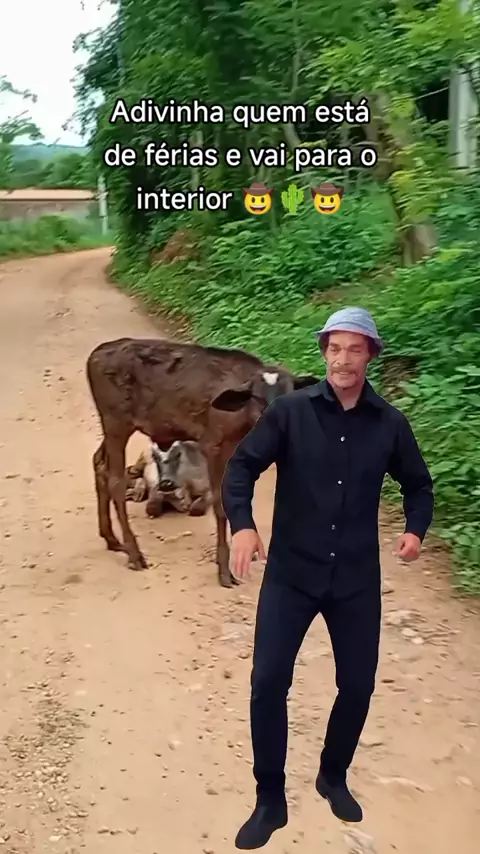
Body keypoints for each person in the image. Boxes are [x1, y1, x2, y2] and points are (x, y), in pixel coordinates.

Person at [221, 307, 434, 850]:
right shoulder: (290, 413)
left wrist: (415, 529)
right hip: (291, 574)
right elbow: (241, 467)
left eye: (354, 349)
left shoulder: (389, 424)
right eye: (334, 349)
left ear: (370, 356)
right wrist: (242, 525)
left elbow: (418, 485)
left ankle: (332, 776)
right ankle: (269, 799)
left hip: (355, 579)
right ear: (324, 353)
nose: (343, 359)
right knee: (269, 682)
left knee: (358, 685)